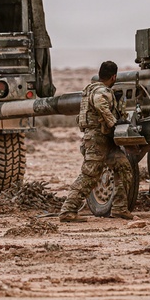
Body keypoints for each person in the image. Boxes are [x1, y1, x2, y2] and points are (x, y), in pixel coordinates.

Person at [59, 61, 134, 222]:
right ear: (114, 77)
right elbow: (100, 103)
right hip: (96, 140)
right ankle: (68, 211)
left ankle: (120, 208)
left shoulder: (91, 89)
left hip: (105, 141)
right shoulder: (101, 91)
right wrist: (113, 122)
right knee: (89, 175)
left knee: (124, 168)